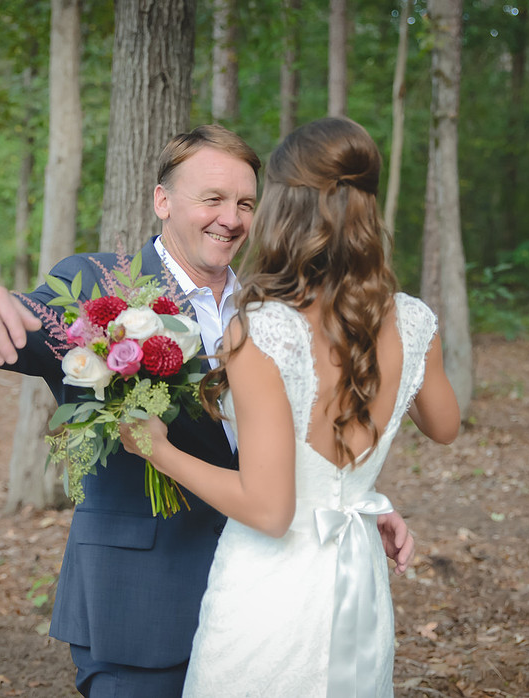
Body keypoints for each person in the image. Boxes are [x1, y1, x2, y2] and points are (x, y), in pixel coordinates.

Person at [0, 123, 416, 697]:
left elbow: (294, 432)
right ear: (163, 200)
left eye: (245, 203)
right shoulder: (98, 287)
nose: (230, 219)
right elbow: (20, 325)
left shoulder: (277, 305)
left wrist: (346, 501)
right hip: (140, 603)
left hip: (262, 603)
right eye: (212, 199)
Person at [120, 116, 461, 697]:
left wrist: (159, 450)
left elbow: (270, 510)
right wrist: (356, 491)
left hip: (269, 592)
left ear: (286, 207)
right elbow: (444, 426)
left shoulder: (263, 330)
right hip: (357, 581)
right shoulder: (411, 319)